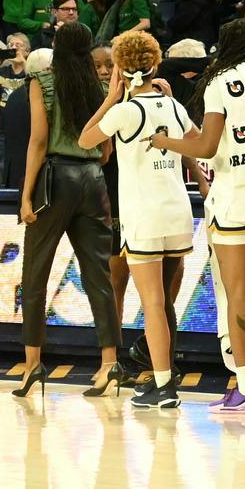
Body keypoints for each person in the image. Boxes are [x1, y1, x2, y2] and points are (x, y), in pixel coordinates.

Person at [152, 20, 245, 412]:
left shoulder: (220, 83)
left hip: (236, 193)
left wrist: (163, 141)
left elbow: (205, 146)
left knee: (237, 291)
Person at [81, 30, 199, 409]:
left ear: (119, 68)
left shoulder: (125, 111)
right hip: (177, 211)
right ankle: (165, 377)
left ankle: (164, 385)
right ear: (156, 63)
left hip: (144, 215)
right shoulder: (174, 106)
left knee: (151, 303)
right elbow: (198, 143)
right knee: (165, 301)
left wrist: (112, 99)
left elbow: (85, 139)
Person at [15, 22, 123, 397]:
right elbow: (107, 150)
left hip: (55, 179)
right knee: (99, 277)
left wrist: (26, 195)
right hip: (93, 180)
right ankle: (109, 363)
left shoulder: (42, 82)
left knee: (35, 275)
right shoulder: (97, 88)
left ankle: (31, 367)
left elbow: (39, 140)